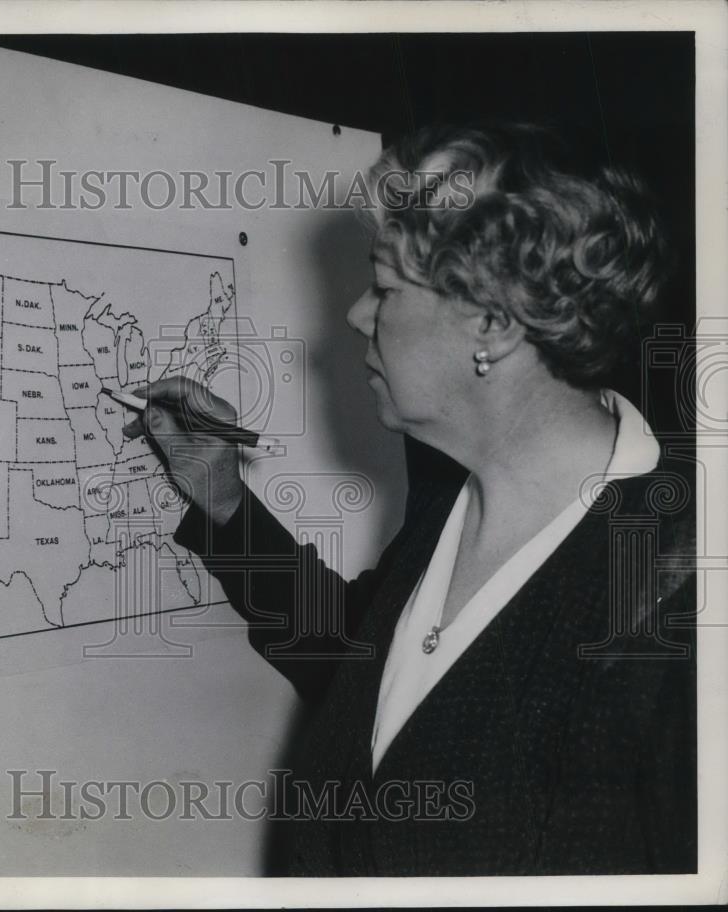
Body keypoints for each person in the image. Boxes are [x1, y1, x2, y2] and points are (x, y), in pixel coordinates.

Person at [122, 123, 696, 876]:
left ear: (492, 322)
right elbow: (354, 669)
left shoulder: (674, 601)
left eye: (385, 287)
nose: (359, 315)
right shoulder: (450, 496)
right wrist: (223, 500)